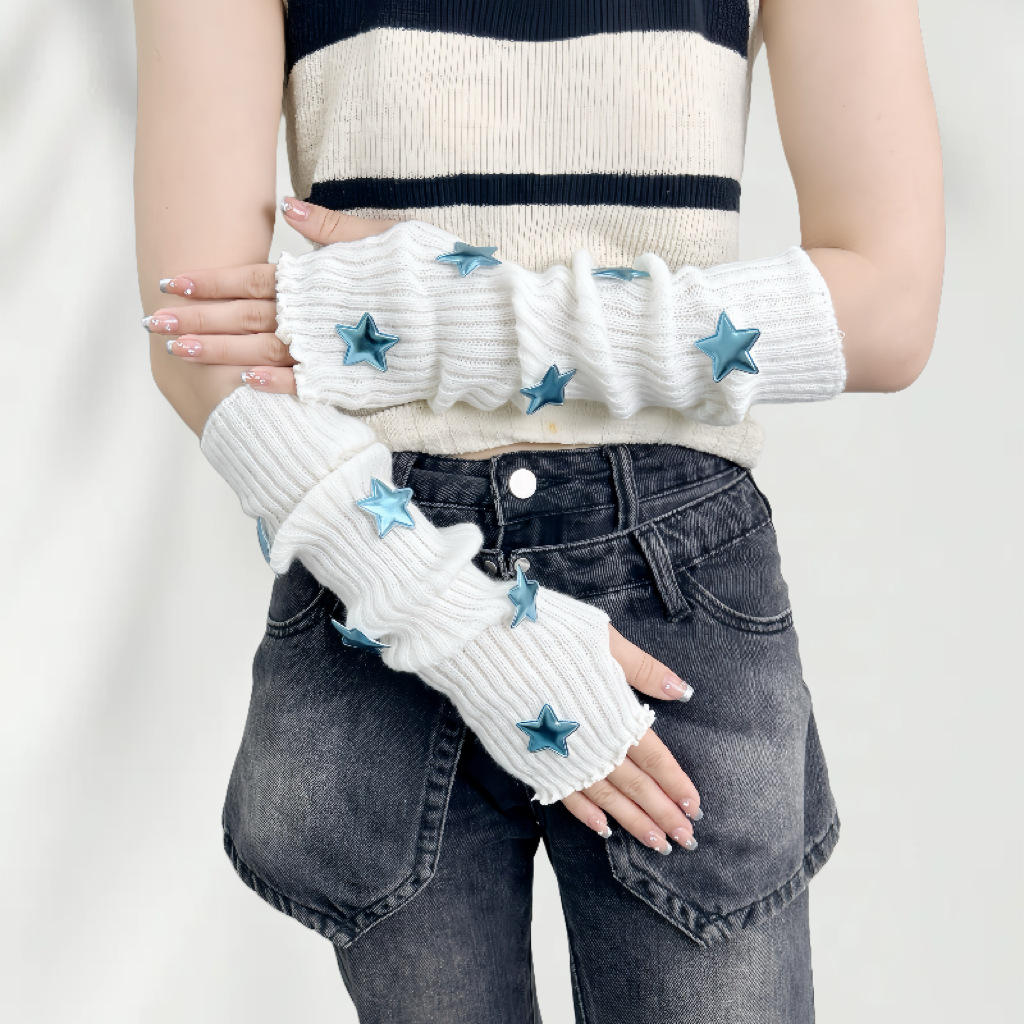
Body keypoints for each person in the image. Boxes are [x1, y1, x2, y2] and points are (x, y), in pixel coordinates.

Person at [133, 0, 944, 1020]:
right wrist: (457, 621)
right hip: (382, 564)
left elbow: (889, 309)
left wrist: (462, 318)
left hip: (664, 575)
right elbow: (195, 332)